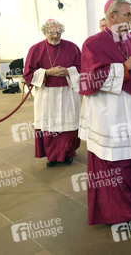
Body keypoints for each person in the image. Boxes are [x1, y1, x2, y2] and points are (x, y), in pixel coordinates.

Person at [79, 0, 131, 228]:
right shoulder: (92, 44)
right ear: (112, 16)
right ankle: (119, 212)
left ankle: (128, 203)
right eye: (128, 14)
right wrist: (125, 67)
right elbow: (89, 80)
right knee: (113, 162)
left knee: (129, 159)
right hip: (108, 115)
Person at [23, 19, 81, 167]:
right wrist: (48, 72)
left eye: (57, 32)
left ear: (62, 31)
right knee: (50, 127)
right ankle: (52, 156)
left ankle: (68, 154)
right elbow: (28, 73)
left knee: (67, 126)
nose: (55, 36)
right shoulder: (35, 49)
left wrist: (68, 71)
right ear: (45, 32)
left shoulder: (72, 47)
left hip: (67, 92)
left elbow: (83, 69)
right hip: (46, 94)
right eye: (51, 32)